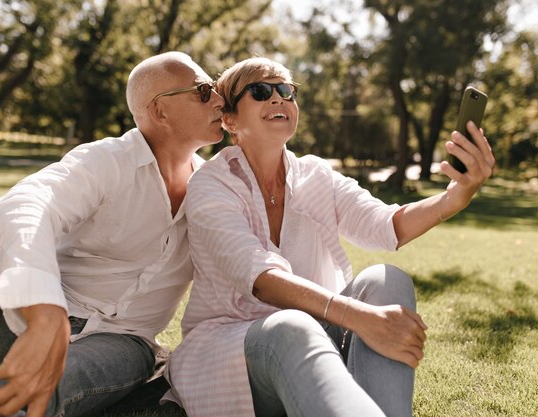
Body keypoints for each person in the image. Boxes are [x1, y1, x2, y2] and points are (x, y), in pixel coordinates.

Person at [166, 57, 495, 417]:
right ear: (230, 119)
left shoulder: (317, 175)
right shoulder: (212, 185)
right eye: (260, 91)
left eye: (286, 91)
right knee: (291, 325)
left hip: (318, 338)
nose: (278, 99)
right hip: (232, 350)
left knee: (387, 279)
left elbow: (388, 225)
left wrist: (454, 198)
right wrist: (362, 318)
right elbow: (261, 280)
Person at [0, 51, 224, 417]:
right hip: (34, 326)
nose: (219, 99)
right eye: (203, 91)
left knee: (52, 383)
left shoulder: (215, 187)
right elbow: (27, 203)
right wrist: (44, 307)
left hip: (123, 343)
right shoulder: (108, 159)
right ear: (159, 111)